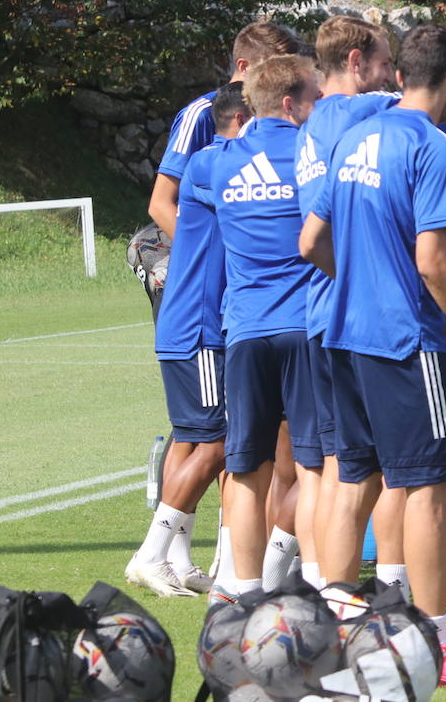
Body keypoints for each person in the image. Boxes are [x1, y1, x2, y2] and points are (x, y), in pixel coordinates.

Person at [299, 24, 446, 687]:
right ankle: (432, 648)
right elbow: (433, 263)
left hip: (341, 335)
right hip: (403, 341)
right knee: (426, 489)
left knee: (353, 481)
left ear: (400, 76)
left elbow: (310, 243)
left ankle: (334, 634)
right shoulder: (427, 145)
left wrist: (360, 282)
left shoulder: (355, 136)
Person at [200, 55, 322, 602]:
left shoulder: (216, 162)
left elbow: (176, 189)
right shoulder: (315, 154)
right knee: (318, 467)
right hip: (307, 326)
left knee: (246, 468)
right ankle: (321, 586)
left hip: (246, 330)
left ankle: (243, 590)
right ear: (295, 101)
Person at [125, 83, 248, 598]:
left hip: (187, 320)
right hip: (200, 324)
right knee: (218, 440)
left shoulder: (207, 165)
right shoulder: (226, 167)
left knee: (192, 436)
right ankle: (151, 554)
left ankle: (172, 558)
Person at [148, 21, 300, 239]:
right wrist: (196, 260)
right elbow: (161, 204)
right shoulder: (201, 114)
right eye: (274, 70)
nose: (286, 80)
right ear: (245, 66)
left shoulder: (281, 115)